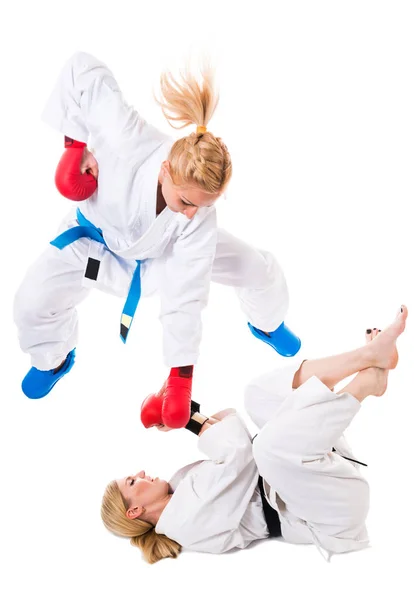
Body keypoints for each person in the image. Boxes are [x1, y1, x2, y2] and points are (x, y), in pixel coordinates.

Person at [13, 51, 300, 425]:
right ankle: (53, 360)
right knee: (30, 301)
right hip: (91, 240)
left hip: (163, 252)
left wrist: (180, 377)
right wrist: (74, 146)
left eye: (204, 205)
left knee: (257, 269)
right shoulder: (125, 137)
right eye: (186, 201)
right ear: (166, 169)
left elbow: (187, 293)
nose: (193, 212)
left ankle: (268, 323)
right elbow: (81, 70)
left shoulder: (196, 218)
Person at [101, 306, 407, 563]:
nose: (140, 473)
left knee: (258, 394)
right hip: (329, 513)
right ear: (135, 511)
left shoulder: (179, 485)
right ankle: (366, 385)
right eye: (132, 481)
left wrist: (183, 413)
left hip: (316, 472)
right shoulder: (184, 524)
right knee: (268, 449)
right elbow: (239, 451)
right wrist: (186, 420)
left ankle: (367, 358)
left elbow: (230, 442)